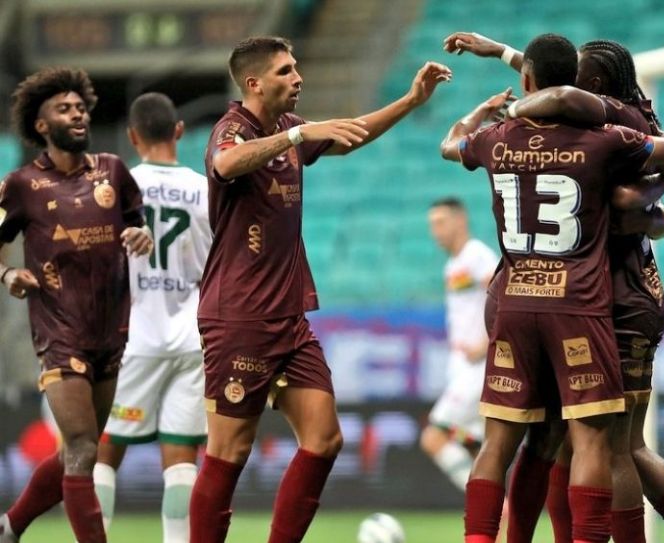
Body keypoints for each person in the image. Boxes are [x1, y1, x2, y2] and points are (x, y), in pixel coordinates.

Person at [444, 32, 664, 543]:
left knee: (595, 442)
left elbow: (553, 92)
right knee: (571, 441)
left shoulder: (537, 128)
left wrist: (646, 208)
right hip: (587, 297)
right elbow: (660, 169)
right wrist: (653, 209)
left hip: (584, 296)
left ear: (588, 83)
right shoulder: (603, 131)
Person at [190, 36, 450, 543]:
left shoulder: (288, 127)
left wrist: (410, 101)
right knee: (229, 453)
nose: (298, 77)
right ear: (254, 83)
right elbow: (225, 164)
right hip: (239, 317)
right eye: (286, 71)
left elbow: (351, 134)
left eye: (297, 68)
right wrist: (297, 136)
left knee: (325, 439)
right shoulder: (232, 129)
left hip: (289, 319)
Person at [0, 67, 154, 543]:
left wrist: (142, 234)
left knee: (76, 449)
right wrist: (8, 274)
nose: (77, 114)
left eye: (80, 107)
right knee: (85, 447)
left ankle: (10, 526)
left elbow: (138, 221)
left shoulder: (113, 170)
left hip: (110, 330)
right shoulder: (22, 184)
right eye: (64, 109)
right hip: (58, 332)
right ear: (42, 126)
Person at [92, 92, 212, 543]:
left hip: (132, 339)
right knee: (181, 458)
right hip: (193, 339)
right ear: (179, 131)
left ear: (132, 137)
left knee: (104, 453)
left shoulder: (113, 188)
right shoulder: (205, 189)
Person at [422, 197, 498, 492]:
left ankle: (484, 500)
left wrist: (487, 340)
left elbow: (502, 296)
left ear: (460, 220)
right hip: (463, 367)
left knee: (434, 436)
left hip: (477, 368)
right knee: (477, 446)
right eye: (432, 225)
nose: (435, 231)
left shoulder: (476, 255)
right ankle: (496, 516)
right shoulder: (453, 264)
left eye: (441, 222)